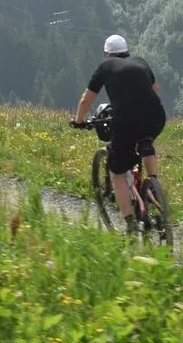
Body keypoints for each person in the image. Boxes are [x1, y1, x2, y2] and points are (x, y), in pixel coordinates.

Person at [71, 33, 167, 222]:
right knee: (147, 141)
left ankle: (130, 224)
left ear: (107, 54)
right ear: (126, 52)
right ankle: (152, 185)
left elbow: (86, 100)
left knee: (117, 173)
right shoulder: (140, 62)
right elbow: (156, 90)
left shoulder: (105, 67)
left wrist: (79, 120)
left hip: (127, 121)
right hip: (156, 115)